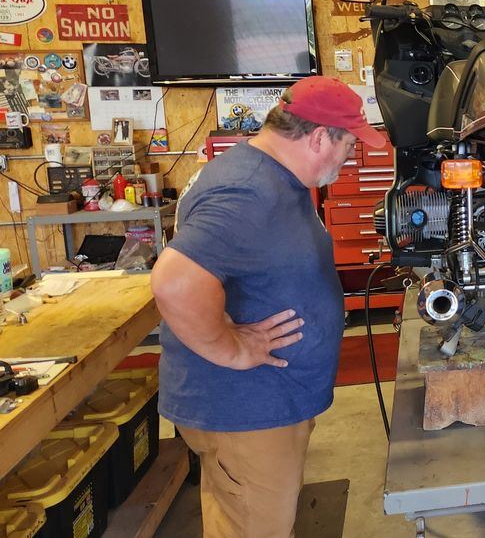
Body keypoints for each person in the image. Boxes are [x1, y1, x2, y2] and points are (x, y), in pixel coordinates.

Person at [151, 76, 386, 538]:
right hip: (246, 409)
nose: (352, 156)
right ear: (320, 136)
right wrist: (231, 348)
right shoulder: (248, 191)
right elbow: (175, 282)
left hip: (273, 401)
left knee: (249, 515)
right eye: (350, 144)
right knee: (254, 526)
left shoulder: (277, 179)